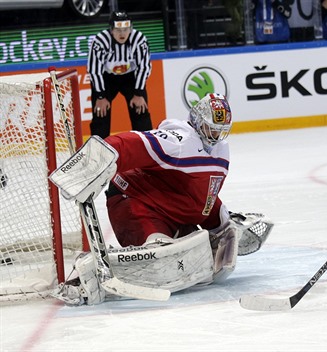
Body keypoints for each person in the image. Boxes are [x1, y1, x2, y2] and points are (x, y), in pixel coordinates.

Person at [50, 93, 273, 305]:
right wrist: (95, 159)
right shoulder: (179, 141)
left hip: (172, 212)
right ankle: (84, 277)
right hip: (134, 202)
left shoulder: (221, 151)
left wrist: (222, 222)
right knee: (159, 259)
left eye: (219, 131)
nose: (214, 136)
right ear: (196, 120)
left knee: (194, 257)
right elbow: (132, 143)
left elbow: (202, 195)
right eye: (210, 128)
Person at [87, 11, 153, 138]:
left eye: (126, 29)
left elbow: (144, 67)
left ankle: (147, 148)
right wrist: (100, 96)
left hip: (130, 78)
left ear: (131, 28)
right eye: (118, 30)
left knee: (141, 110)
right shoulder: (100, 40)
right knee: (100, 114)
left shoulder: (139, 39)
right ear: (111, 30)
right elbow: (94, 70)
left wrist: (138, 93)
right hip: (107, 78)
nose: (122, 34)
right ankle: (99, 152)